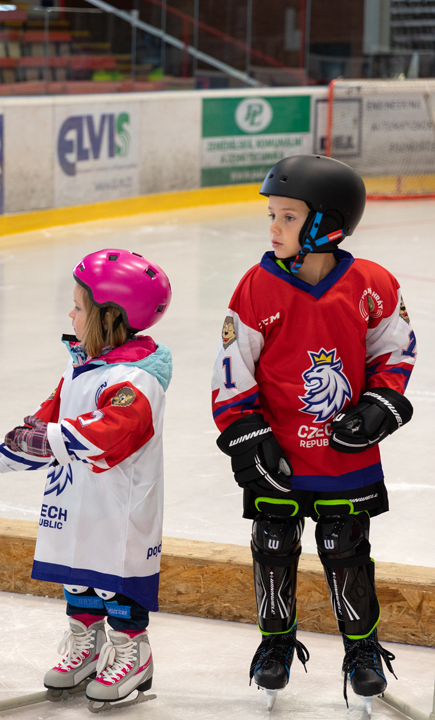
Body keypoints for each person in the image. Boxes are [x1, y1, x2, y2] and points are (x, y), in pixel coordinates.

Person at [212, 155, 416, 711]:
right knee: (273, 544)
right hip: (278, 454)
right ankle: (275, 645)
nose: (272, 228)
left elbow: (396, 349)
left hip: (343, 456)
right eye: (272, 215)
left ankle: (362, 650)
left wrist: (380, 404)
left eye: (287, 217)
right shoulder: (256, 287)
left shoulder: (372, 284)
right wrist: (248, 435)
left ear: (326, 223)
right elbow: (232, 372)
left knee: (345, 548)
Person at [0, 249, 172, 712]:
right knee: (77, 576)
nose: (70, 314)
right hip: (75, 500)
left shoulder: (136, 379)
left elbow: (111, 432)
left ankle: (134, 653)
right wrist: (13, 448)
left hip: (118, 506)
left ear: (109, 317)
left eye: (78, 307)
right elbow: (50, 412)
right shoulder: (80, 366)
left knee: (116, 582)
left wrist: (47, 439)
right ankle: (86, 645)